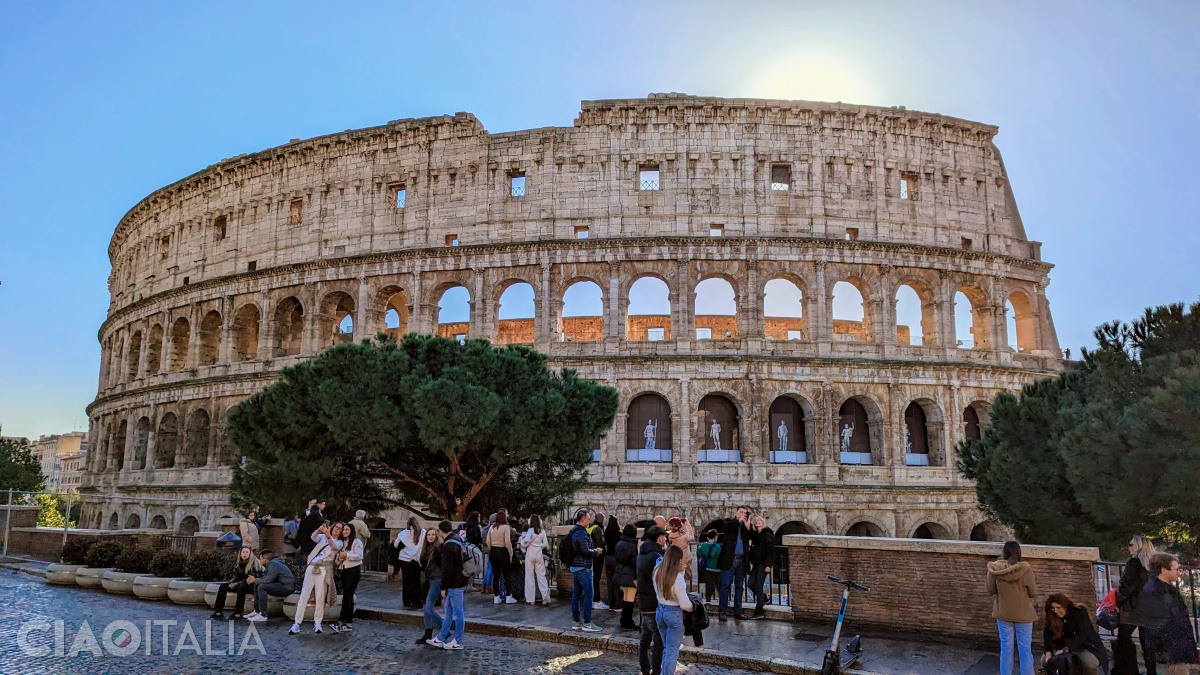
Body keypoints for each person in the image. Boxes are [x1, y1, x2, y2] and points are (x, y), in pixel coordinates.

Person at [1139, 553, 1199, 675]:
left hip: (1174, 652)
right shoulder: (1155, 592)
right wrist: (1173, 654)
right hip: (1171, 655)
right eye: (1176, 569)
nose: (1179, 572)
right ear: (1163, 570)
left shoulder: (1161, 589)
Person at [987, 540, 1038, 675]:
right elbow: (1033, 592)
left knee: (1006, 648)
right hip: (1024, 615)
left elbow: (990, 590)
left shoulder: (995, 569)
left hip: (1003, 613)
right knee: (1025, 649)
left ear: (1004, 552)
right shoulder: (1026, 570)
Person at [1114, 534, 1158, 675]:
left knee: (1124, 639)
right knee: (1147, 644)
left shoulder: (1134, 563)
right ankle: (1151, 672)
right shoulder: (1153, 566)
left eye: (1131, 544)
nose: (1129, 547)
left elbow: (1126, 587)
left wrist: (1118, 602)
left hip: (1132, 608)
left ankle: (1129, 671)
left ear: (1139, 546)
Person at [1041, 593, 1108, 675]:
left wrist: (1066, 649)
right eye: (1053, 608)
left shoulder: (1079, 612)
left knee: (1088, 663)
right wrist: (1048, 651)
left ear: (1065, 605)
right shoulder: (1053, 617)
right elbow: (1047, 633)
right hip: (1063, 646)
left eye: (1058, 607)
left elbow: (1083, 634)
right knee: (1044, 660)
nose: (1055, 611)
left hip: (1086, 646)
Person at [290, 522, 337, 635]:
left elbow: (333, 546)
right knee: (304, 595)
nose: (336, 530)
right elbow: (313, 537)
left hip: (322, 569)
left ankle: (317, 623)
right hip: (311, 567)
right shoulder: (323, 538)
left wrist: (328, 535)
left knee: (319, 596)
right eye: (335, 528)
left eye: (339, 529)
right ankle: (297, 623)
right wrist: (319, 530)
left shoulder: (338, 542)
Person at [653, 544, 694, 675]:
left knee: (667, 649)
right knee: (672, 651)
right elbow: (685, 605)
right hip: (674, 614)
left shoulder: (656, 571)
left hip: (660, 611)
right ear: (678, 560)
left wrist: (681, 570)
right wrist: (694, 607)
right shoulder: (677, 579)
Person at [427, 521, 468, 650]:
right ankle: (441, 637)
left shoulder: (448, 545)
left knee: (457, 612)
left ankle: (458, 640)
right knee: (449, 610)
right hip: (459, 580)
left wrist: (443, 587)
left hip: (454, 583)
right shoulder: (457, 539)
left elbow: (447, 569)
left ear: (440, 531)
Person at [637, 525, 667, 675]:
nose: (666, 539)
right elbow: (662, 578)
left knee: (645, 639)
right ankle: (656, 671)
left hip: (643, 601)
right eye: (664, 536)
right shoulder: (657, 556)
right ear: (659, 537)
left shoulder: (641, 553)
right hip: (654, 602)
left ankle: (644, 668)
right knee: (658, 642)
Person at [566, 509, 603, 632]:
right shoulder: (581, 533)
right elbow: (585, 551)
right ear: (582, 520)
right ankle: (587, 622)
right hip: (582, 567)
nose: (589, 521)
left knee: (576, 594)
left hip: (575, 567)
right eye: (588, 519)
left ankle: (576, 621)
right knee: (589, 594)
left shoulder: (574, 531)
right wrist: (596, 551)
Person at [717, 506, 752, 621]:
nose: (743, 514)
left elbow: (753, 537)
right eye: (741, 512)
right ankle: (722, 611)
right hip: (729, 560)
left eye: (745, 513)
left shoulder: (746, 527)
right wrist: (738, 521)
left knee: (739, 586)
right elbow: (726, 527)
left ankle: (738, 611)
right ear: (736, 513)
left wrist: (748, 527)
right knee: (725, 585)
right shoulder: (729, 522)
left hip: (742, 560)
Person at [211, 545, 262, 619]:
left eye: (247, 552)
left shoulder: (254, 563)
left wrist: (237, 583)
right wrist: (232, 582)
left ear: (250, 554)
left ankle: (238, 612)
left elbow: (250, 579)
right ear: (240, 554)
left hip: (251, 585)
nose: (245, 554)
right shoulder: (239, 563)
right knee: (223, 586)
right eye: (243, 552)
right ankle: (218, 611)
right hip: (240, 583)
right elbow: (236, 576)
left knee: (241, 588)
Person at [330, 522, 363, 633]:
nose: (344, 531)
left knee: (347, 596)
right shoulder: (343, 543)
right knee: (348, 596)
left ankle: (341, 620)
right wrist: (340, 558)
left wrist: (347, 556)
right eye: (343, 530)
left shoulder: (356, 542)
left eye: (347, 530)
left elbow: (359, 556)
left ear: (351, 531)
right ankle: (347, 622)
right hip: (344, 570)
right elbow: (339, 559)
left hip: (353, 570)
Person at [246, 549, 293, 622]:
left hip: (286, 587)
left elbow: (267, 580)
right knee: (257, 584)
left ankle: (263, 615)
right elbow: (266, 578)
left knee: (262, 587)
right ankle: (257, 611)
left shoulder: (273, 564)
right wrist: (255, 580)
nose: (259, 560)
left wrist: (255, 580)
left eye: (260, 558)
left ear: (265, 559)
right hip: (280, 584)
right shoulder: (272, 564)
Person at [416, 527, 444, 644]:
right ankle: (427, 633)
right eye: (429, 535)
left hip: (436, 579)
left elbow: (443, 566)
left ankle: (444, 627)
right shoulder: (424, 549)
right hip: (427, 579)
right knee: (425, 608)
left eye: (433, 534)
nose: (431, 536)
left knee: (429, 607)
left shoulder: (438, 549)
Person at [746, 514, 775, 620]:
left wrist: (768, 565)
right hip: (756, 564)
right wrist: (747, 523)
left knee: (758, 586)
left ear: (763, 522)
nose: (757, 521)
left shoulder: (767, 535)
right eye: (756, 520)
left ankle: (759, 611)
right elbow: (749, 535)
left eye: (760, 520)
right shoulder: (755, 535)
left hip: (763, 564)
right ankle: (764, 598)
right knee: (750, 584)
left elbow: (771, 552)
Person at [393, 516, 425, 609]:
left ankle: (407, 601)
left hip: (405, 559)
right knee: (416, 581)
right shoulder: (422, 532)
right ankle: (417, 601)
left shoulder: (403, 533)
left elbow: (396, 544)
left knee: (406, 581)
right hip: (416, 559)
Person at [519, 514, 551, 605]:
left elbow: (525, 542)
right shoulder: (542, 531)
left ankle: (530, 599)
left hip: (530, 554)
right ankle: (545, 596)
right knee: (541, 576)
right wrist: (538, 546)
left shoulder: (530, 530)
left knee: (529, 576)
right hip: (539, 554)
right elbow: (545, 544)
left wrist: (523, 541)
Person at [486, 508, 516, 604]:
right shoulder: (505, 527)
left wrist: (491, 550)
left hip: (493, 551)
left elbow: (488, 541)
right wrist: (510, 553)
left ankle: (496, 597)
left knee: (496, 575)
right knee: (507, 575)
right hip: (502, 551)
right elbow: (507, 542)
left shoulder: (492, 528)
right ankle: (508, 596)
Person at [613, 523, 639, 630]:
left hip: (620, 572)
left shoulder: (619, 543)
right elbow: (635, 561)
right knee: (630, 599)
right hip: (630, 574)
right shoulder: (634, 545)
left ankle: (624, 620)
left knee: (625, 598)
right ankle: (628, 622)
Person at [295, 499, 325, 567]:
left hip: (306, 544)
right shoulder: (321, 521)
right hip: (316, 544)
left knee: (306, 561)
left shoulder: (305, 521)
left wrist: (297, 544)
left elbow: (300, 533)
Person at [695, 529, 722, 603]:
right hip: (716, 567)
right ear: (715, 537)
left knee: (709, 584)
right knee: (719, 585)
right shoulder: (717, 546)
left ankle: (708, 599)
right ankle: (722, 598)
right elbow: (717, 555)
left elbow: (698, 552)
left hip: (708, 567)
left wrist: (702, 556)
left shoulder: (703, 545)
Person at [666, 516, 695, 583]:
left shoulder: (669, 536)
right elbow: (691, 535)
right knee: (683, 579)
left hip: (673, 560)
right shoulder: (684, 536)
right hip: (685, 560)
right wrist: (686, 523)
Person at [588, 511, 608, 609]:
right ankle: (596, 600)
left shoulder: (589, 527)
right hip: (597, 556)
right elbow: (601, 542)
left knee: (591, 579)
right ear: (601, 520)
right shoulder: (598, 529)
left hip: (589, 555)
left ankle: (590, 599)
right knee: (596, 578)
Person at [604, 515, 622, 610]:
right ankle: (618, 605)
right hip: (615, 558)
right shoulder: (618, 534)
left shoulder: (606, 533)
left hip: (608, 557)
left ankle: (611, 604)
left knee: (609, 582)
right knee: (617, 583)